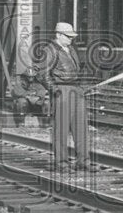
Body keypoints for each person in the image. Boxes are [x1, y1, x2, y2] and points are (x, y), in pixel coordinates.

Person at [37, 22, 89, 169]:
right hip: (62, 91)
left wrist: (80, 88)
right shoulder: (50, 50)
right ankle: (62, 163)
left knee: (81, 128)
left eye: (72, 36)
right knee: (62, 129)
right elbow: (42, 74)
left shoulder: (71, 49)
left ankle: (83, 162)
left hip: (75, 90)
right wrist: (55, 90)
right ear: (58, 35)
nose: (71, 39)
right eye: (68, 36)